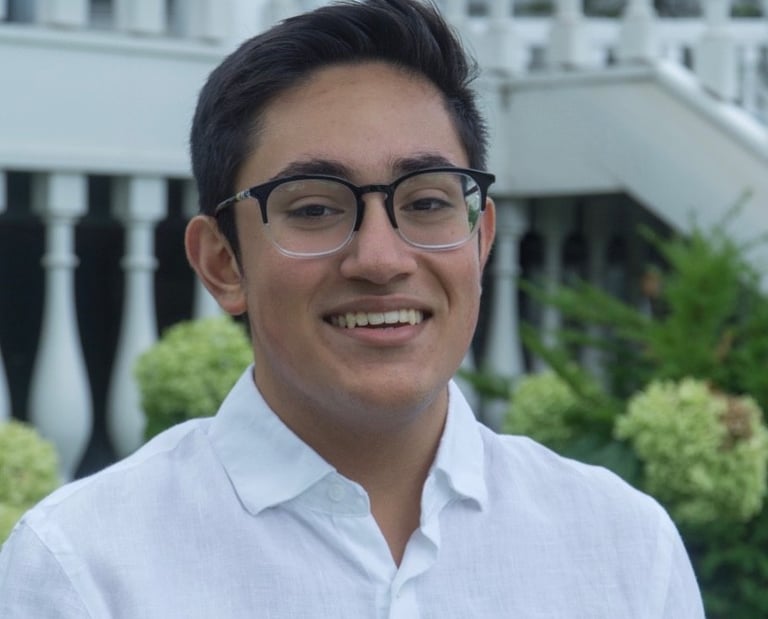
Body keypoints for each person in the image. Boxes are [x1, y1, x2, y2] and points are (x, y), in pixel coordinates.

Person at [0, 0, 705, 616]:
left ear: (480, 238)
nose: (381, 258)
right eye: (314, 208)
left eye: (426, 202)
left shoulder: (622, 547)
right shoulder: (84, 567)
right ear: (222, 262)